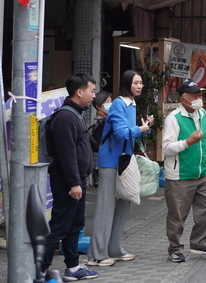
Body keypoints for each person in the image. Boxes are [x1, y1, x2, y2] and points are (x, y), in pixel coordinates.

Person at [87, 70, 154, 267]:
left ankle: (114, 249)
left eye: (141, 82)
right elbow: (120, 133)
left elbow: (129, 135)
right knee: (106, 207)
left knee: (125, 202)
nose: (139, 86)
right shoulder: (119, 103)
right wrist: (140, 129)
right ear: (127, 84)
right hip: (110, 161)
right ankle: (96, 255)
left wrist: (144, 128)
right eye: (136, 83)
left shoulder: (131, 104)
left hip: (124, 159)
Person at [162, 80, 206, 263]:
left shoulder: (202, 114)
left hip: (203, 172)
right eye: (195, 96)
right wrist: (187, 142)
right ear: (184, 99)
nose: (199, 99)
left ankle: (199, 242)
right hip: (180, 175)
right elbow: (166, 148)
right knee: (177, 215)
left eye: (200, 95)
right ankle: (174, 249)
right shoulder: (173, 119)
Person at [43, 73, 98, 281]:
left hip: (77, 181)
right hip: (67, 182)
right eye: (92, 91)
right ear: (80, 92)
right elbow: (67, 155)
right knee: (59, 227)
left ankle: (73, 268)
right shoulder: (66, 117)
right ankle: (39, 270)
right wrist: (74, 183)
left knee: (75, 225)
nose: (94, 95)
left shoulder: (75, 114)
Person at [89, 91, 113, 188]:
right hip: (100, 159)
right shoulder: (100, 122)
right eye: (107, 102)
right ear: (98, 106)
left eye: (111, 101)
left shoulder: (102, 120)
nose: (110, 104)